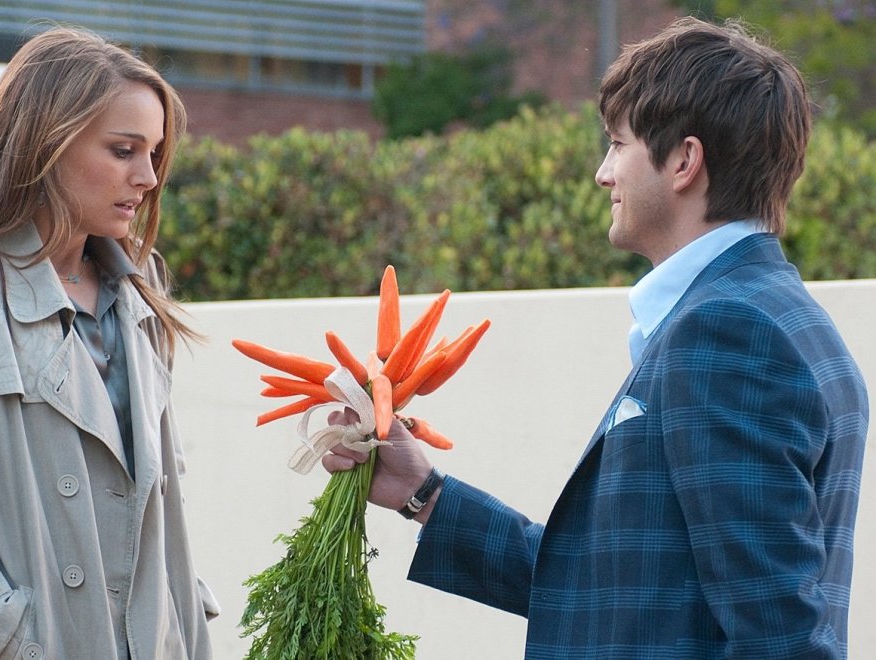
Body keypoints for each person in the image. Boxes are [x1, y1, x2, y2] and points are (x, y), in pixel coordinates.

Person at [324, 17, 869, 659]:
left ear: (684, 161)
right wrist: (424, 494)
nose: (602, 174)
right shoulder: (777, 318)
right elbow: (614, 593)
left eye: (617, 144)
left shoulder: (726, 332)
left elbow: (782, 640)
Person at [0, 27, 218, 659]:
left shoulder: (141, 286)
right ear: (49, 143)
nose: (148, 177)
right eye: (123, 150)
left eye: (153, 153)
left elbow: (158, 502)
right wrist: (17, 644)